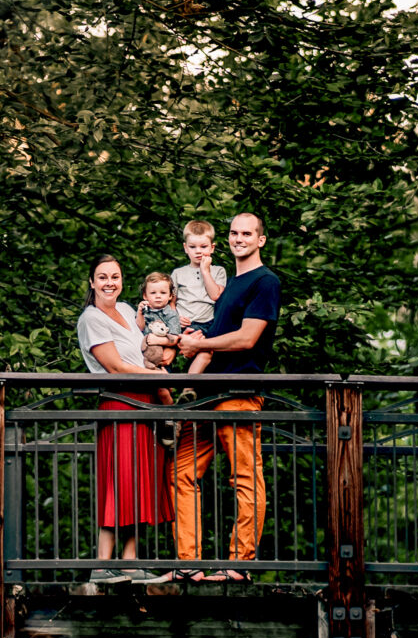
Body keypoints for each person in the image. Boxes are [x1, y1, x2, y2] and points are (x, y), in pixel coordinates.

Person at [172, 213, 282, 579]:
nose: (239, 238)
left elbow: (247, 338)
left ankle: (239, 564)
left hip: (239, 392)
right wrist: (194, 340)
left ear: (261, 240)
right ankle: (189, 566)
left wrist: (198, 344)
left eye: (247, 233)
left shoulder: (265, 282)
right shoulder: (231, 282)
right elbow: (220, 331)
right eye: (234, 232)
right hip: (206, 395)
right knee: (181, 473)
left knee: (245, 478)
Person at [74, 255, 177, 586]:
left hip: (145, 404)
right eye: (102, 277)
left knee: (138, 482)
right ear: (91, 282)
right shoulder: (91, 319)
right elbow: (115, 366)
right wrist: (156, 375)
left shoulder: (130, 311)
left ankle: (130, 562)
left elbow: (149, 347)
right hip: (120, 404)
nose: (109, 283)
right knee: (118, 481)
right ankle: (101, 565)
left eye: (115, 277)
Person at [167, 220, 227, 394]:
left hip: (208, 324)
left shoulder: (218, 271)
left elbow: (216, 295)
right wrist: (174, 316)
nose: (198, 251)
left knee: (206, 353)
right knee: (167, 352)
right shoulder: (178, 273)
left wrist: (205, 271)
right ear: (185, 248)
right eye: (193, 247)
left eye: (203, 246)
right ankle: (166, 390)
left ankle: (188, 391)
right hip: (184, 324)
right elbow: (172, 301)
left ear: (212, 248)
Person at [135, 272, 185, 370]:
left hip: (162, 356)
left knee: (162, 381)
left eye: (163, 293)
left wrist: (158, 340)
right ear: (145, 296)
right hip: (143, 356)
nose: (158, 296)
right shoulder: (145, 311)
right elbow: (140, 327)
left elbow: (174, 338)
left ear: (170, 295)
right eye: (153, 293)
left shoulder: (171, 314)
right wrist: (140, 313)